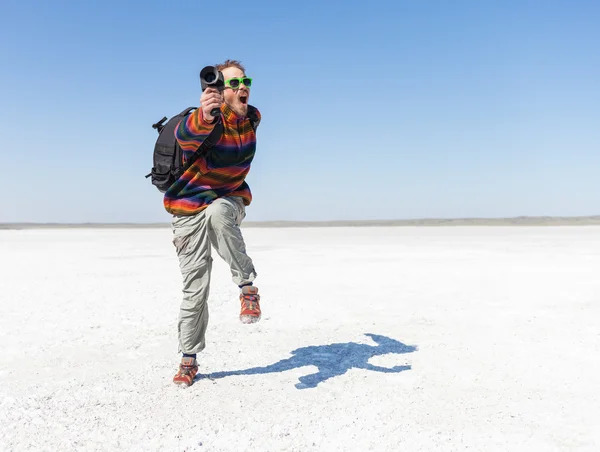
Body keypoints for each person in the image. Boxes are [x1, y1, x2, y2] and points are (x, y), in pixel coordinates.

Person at [163, 59, 262, 387]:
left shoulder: (253, 119)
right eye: (233, 83)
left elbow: (244, 116)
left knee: (220, 210)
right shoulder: (206, 120)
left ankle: (247, 288)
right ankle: (188, 358)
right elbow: (187, 134)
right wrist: (205, 114)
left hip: (228, 202)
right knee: (195, 289)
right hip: (187, 212)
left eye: (244, 81)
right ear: (220, 91)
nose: (242, 86)